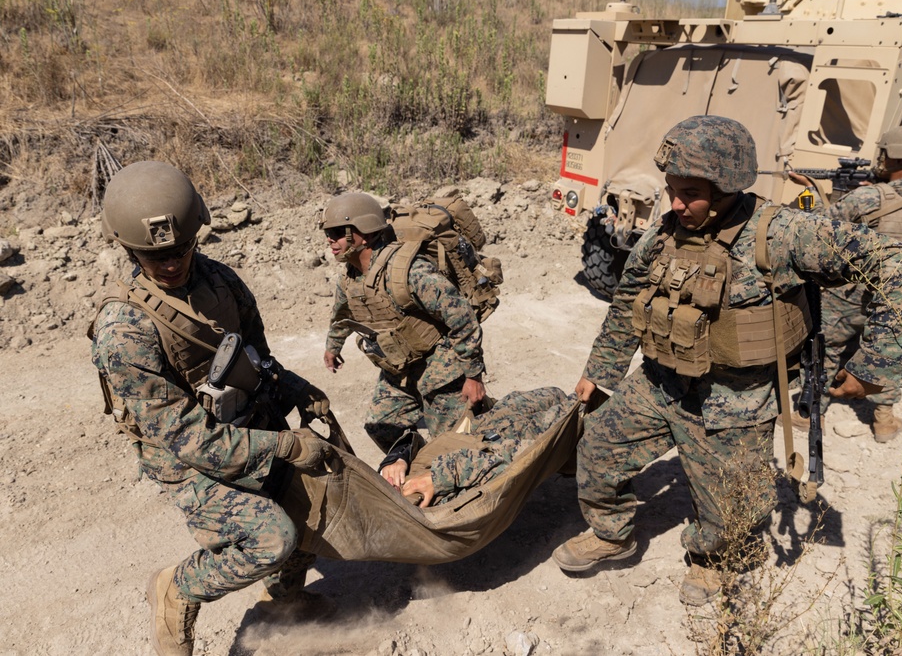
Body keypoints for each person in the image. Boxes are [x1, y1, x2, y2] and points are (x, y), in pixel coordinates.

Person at [550, 116, 902, 607]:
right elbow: (628, 301)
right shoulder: (667, 231)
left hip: (737, 402)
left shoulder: (784, 233)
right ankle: (612, 533)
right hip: (661, 382)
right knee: (596, 451)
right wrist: (600, 373)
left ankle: (712, 560)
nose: (676, 204)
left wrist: (873, 369)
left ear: (727, 185)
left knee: (735, 509)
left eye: (690, 193)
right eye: (671, 190)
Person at [89, 161, 335, 656]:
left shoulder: (220, 283)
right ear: (127, 249)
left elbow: (260, 360)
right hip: (184, 457)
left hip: (243, 423)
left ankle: (283, 601)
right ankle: (177, 592)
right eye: (152, 255)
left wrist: (301, 393)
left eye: (180, 249)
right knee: (270, 537)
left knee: (313, 496)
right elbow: (189, 440)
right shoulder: (124, 329)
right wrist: (285, 445)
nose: (171, 264)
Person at [789, 125, 902, 441]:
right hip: (901, 293)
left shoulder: (867, 196)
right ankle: (884, 420)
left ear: (895, 155)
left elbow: (823, 229)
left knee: (826, 346)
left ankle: (809, 411)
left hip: (854, 292)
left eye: (884, 152)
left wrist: (812, 191)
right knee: (889, 352)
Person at [321, 192, 488, 488]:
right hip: (398, 369)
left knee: (456, 445)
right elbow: (341, 312)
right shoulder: (350, 277)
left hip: (441, 369)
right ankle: (418, 463)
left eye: (337, 233)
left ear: (363, 233)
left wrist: (473, 374)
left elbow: (461, 315)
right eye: (328, 234)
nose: (330, 241)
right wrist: (333, 346)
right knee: (379, 424)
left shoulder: (408, 271)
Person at [401, 387, 574, 507]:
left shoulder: (394, 484)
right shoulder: (424, 506)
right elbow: (497, 468)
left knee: (553, 394)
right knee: (574, 413)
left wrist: (397, 458)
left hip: (485, 426)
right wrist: (438, 477)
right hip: (514, 445)